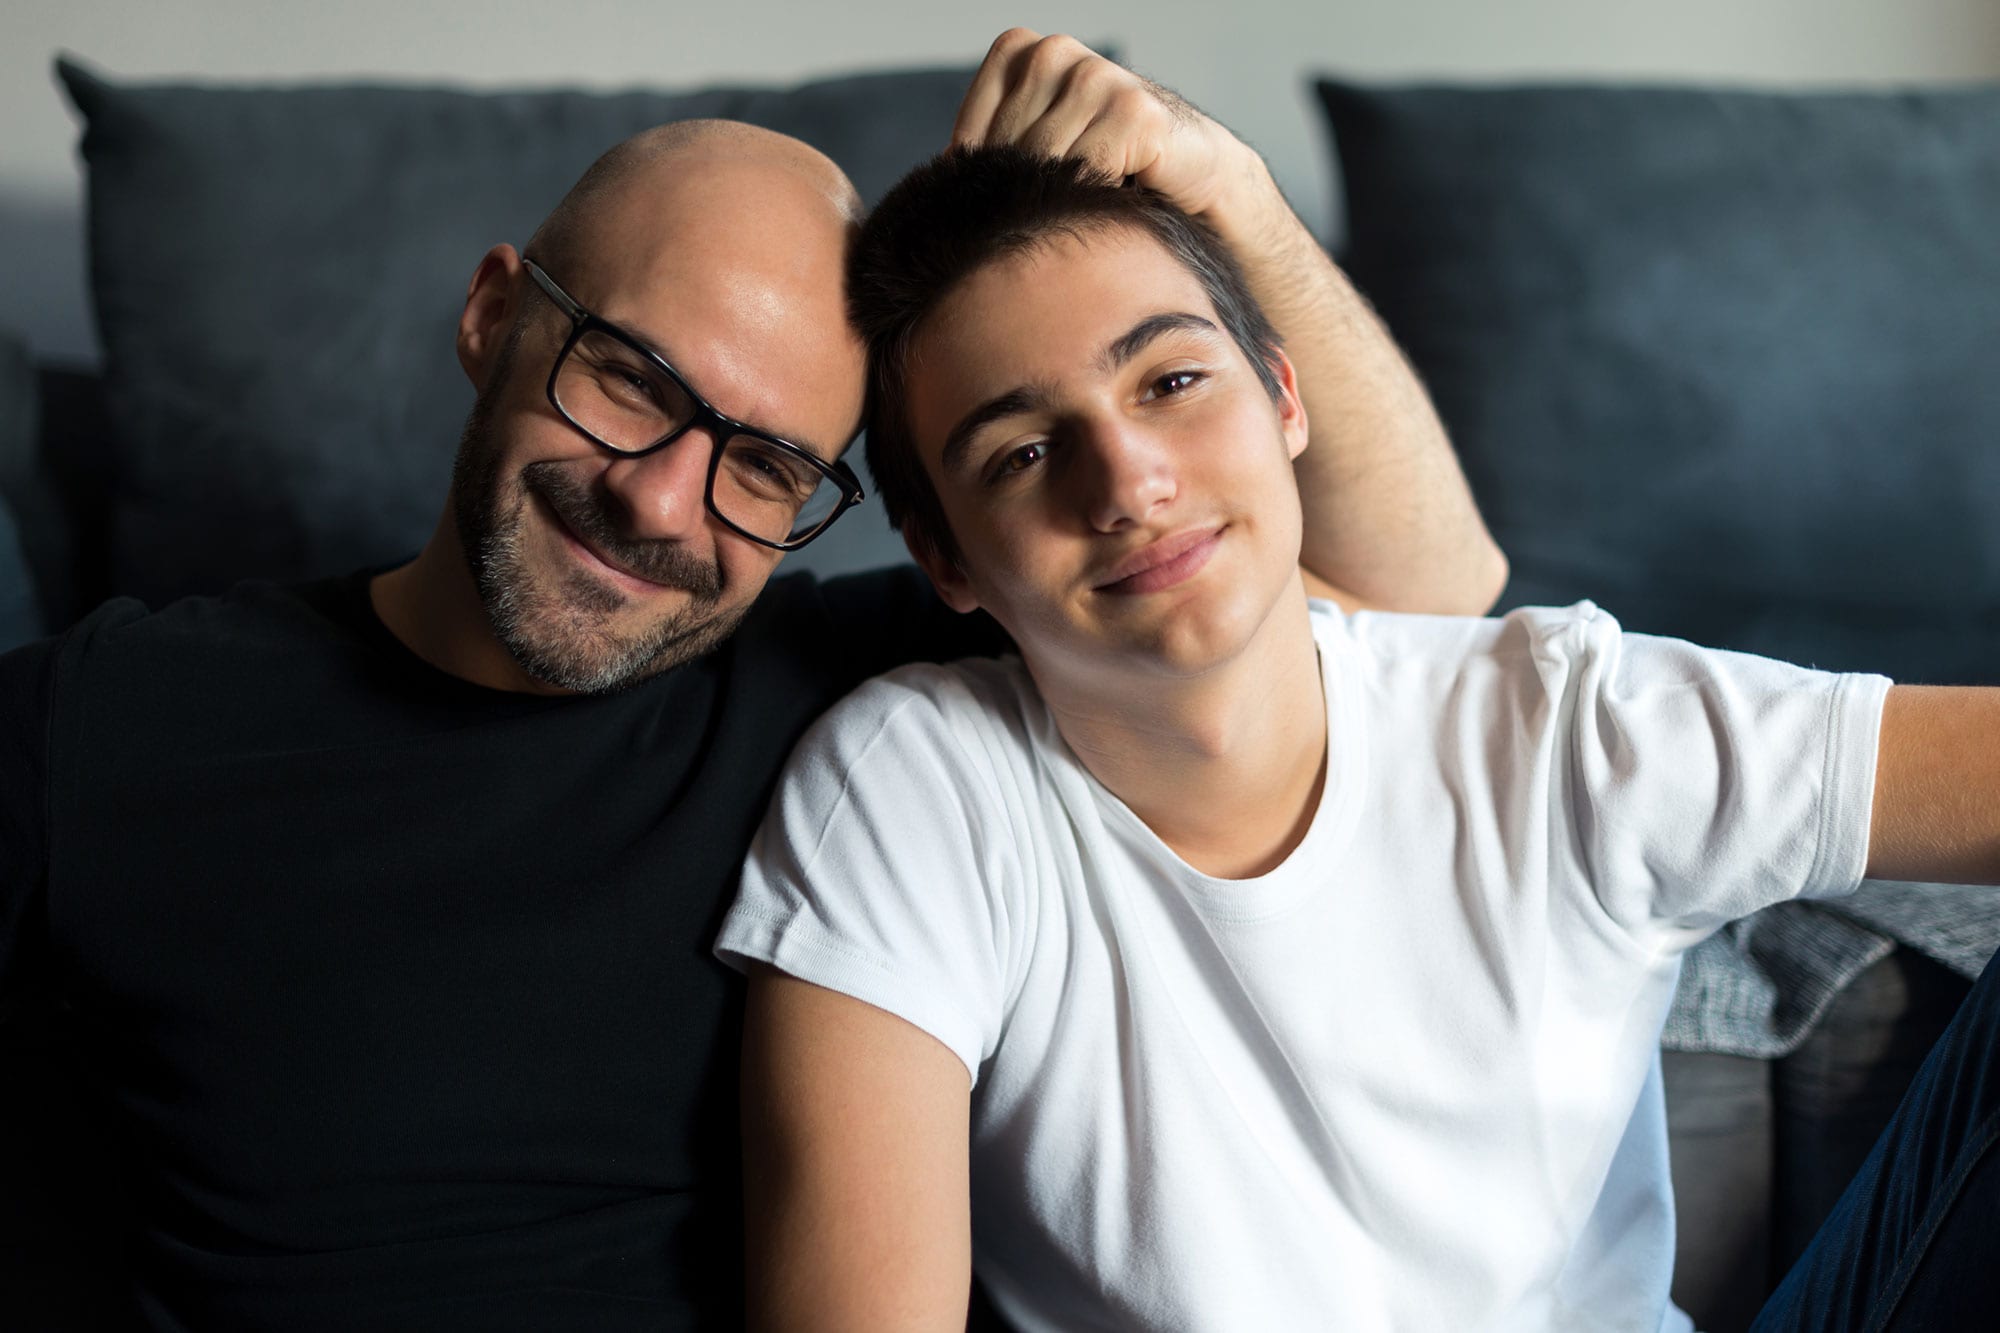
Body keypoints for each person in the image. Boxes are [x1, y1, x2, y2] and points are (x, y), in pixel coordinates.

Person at [0, 32, 1504, 1331]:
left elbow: (1424, 597)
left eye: (767, 465)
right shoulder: (116, 724)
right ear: (493, 318)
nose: (662, 500)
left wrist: (1229, 193)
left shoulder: (878, 696)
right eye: (628, 380)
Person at [719, 144, 2000, 1331]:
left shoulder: (1554, 722)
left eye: (1171, 382)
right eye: (1022, 452)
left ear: (1283, 397)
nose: (1128, 484)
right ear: (944, 558)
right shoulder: (918, 787)